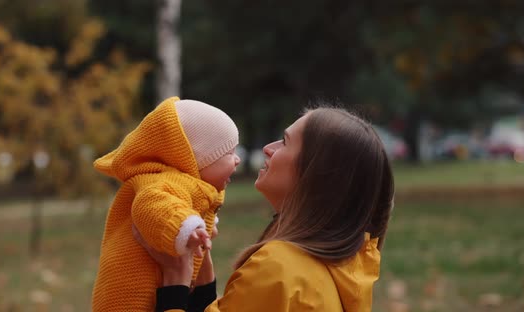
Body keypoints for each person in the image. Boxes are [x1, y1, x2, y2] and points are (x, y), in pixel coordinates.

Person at [138, 105, 396, 312]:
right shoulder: (341, 269)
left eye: (284, 142)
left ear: (317, 174)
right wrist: (202, 269)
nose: (268, 149)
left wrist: (174, 281)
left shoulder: (279, 270)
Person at [91, 96, 241, 311]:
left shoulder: (188, 185)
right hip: (130, 297)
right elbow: (152, 204)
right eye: (229, 153)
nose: (238, 160)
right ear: (197, 158)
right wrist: (185, 226)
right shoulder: (163, 181)